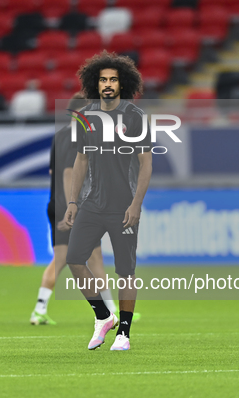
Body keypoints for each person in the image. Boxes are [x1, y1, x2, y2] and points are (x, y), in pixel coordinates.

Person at [64, 51, 152, 351]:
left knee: (125, 272)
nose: (108, 84)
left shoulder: (135, 116)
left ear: (122, 83)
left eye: (113, 79)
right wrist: (73, 201)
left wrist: (136, 204)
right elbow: (80, 160)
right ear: (94, 83)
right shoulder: (85, 116)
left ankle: (124, 333)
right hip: (92, 203)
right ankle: (103, 316)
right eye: (103, 80)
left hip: (124, 206)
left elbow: (145, 163)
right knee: (74, 258)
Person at [30, 93, 117, 325]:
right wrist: (74, 204)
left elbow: (53, 172)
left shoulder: (58, 136)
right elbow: (70, 171)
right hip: (74, 206)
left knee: (61, 257)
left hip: (54, 204)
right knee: (95, 257)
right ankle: (110, 310)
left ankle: (39, 308)